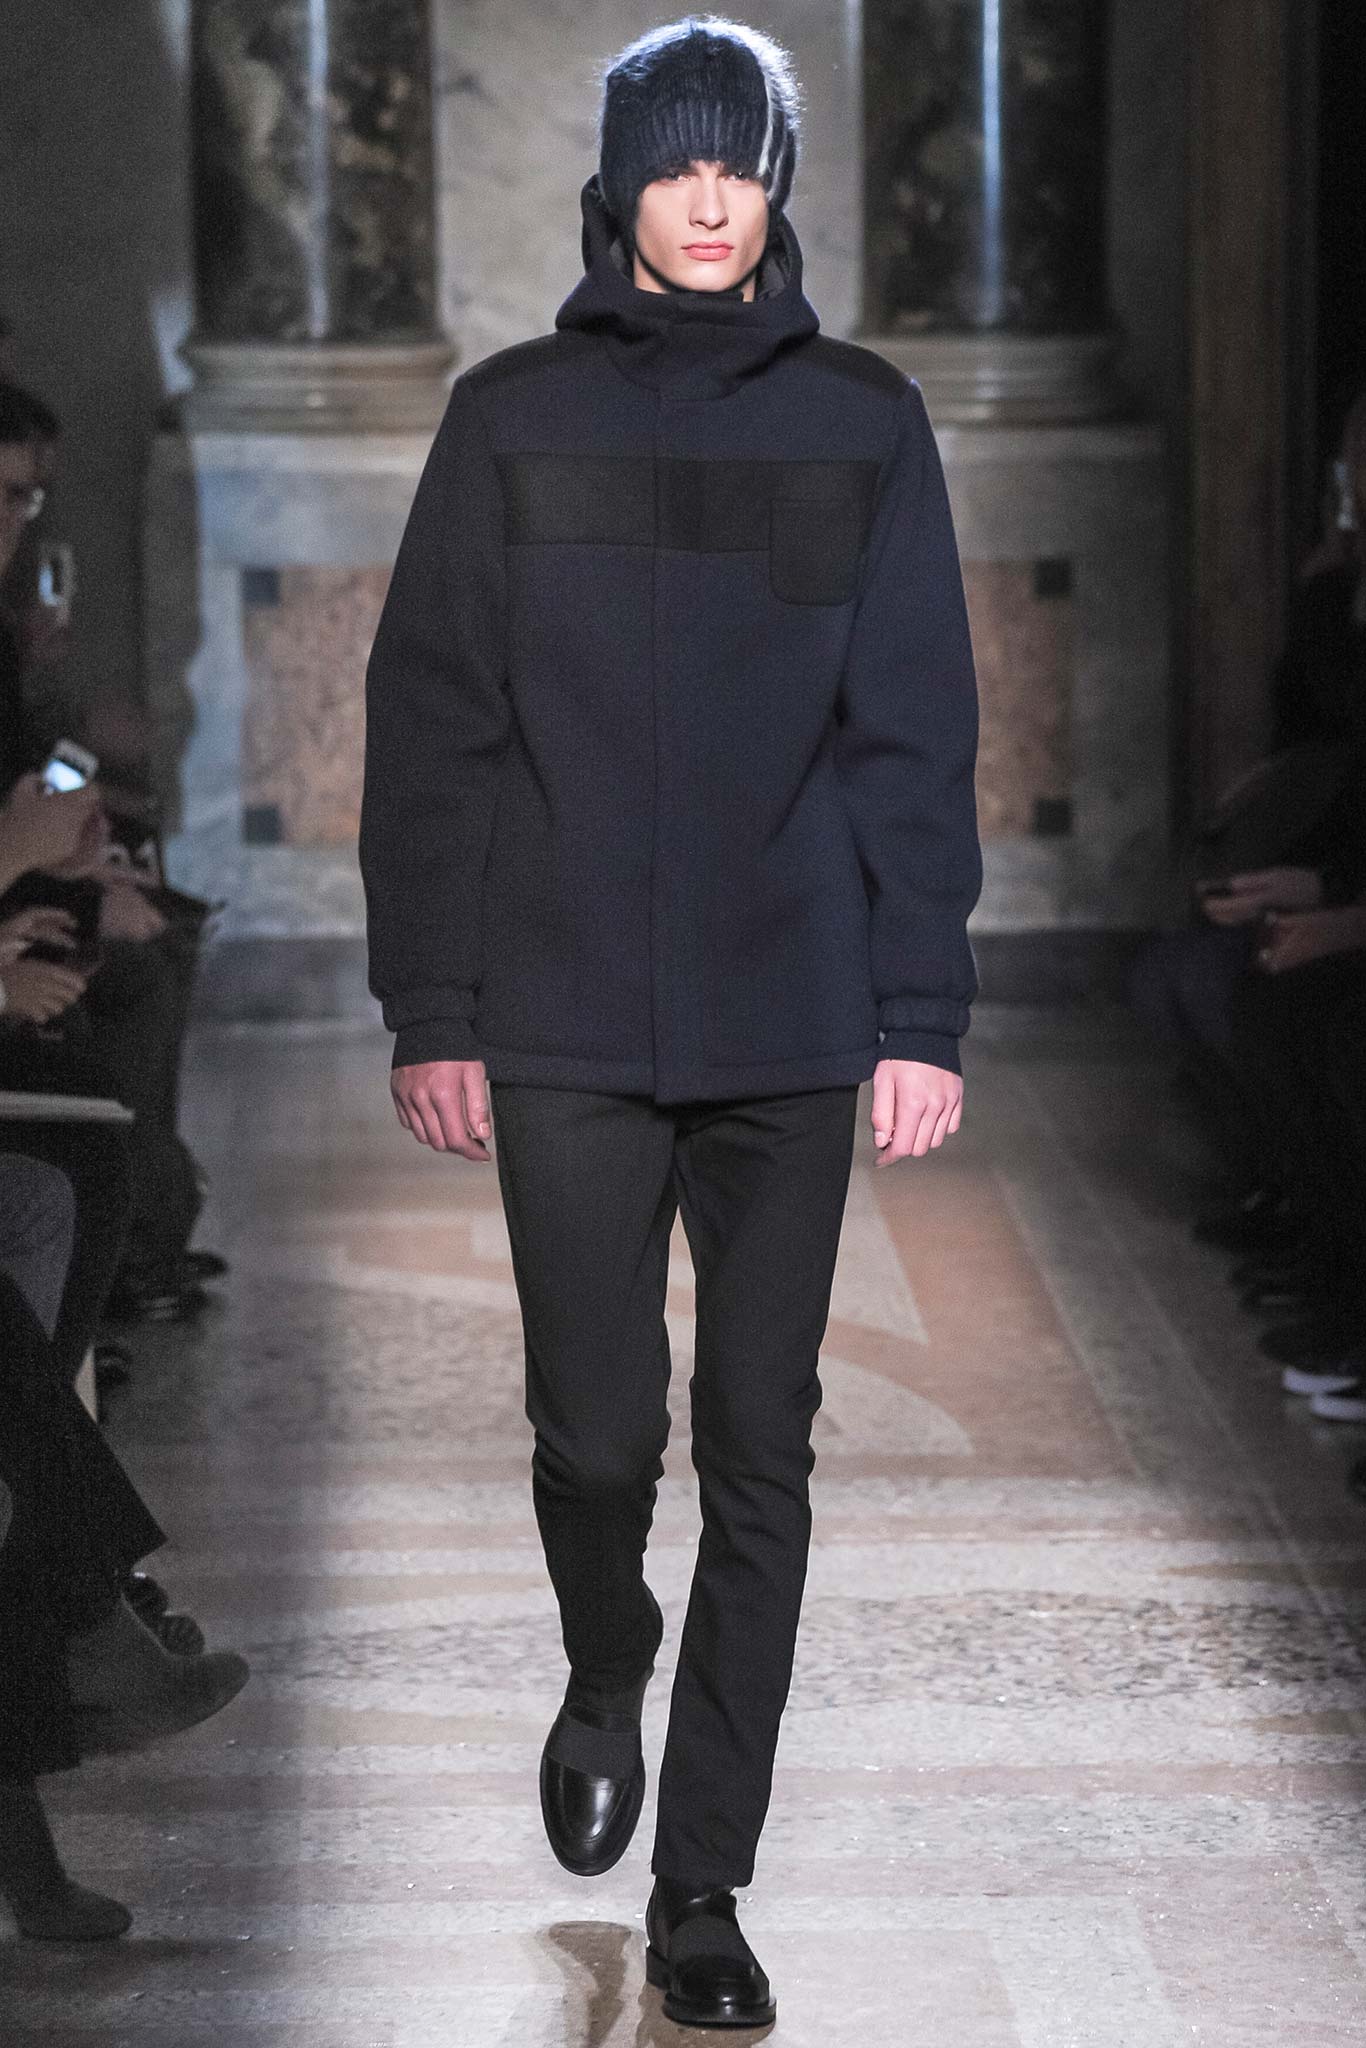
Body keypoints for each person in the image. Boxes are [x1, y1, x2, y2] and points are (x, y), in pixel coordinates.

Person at [360, 15, 981, 2030]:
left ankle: (703, 1879)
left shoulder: (865, 422)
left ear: (774, 187)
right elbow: (432, 725)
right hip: (555, 1010)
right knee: (597, 1432)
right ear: (619, 184)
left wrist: (920, 1007)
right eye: (674, 163)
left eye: (739, 165)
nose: (708, 199)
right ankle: (603, 1651)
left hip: (793, 1013)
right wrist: (429, 1001)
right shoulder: (508, 417)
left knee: (758, 1446)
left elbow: (911, 731)